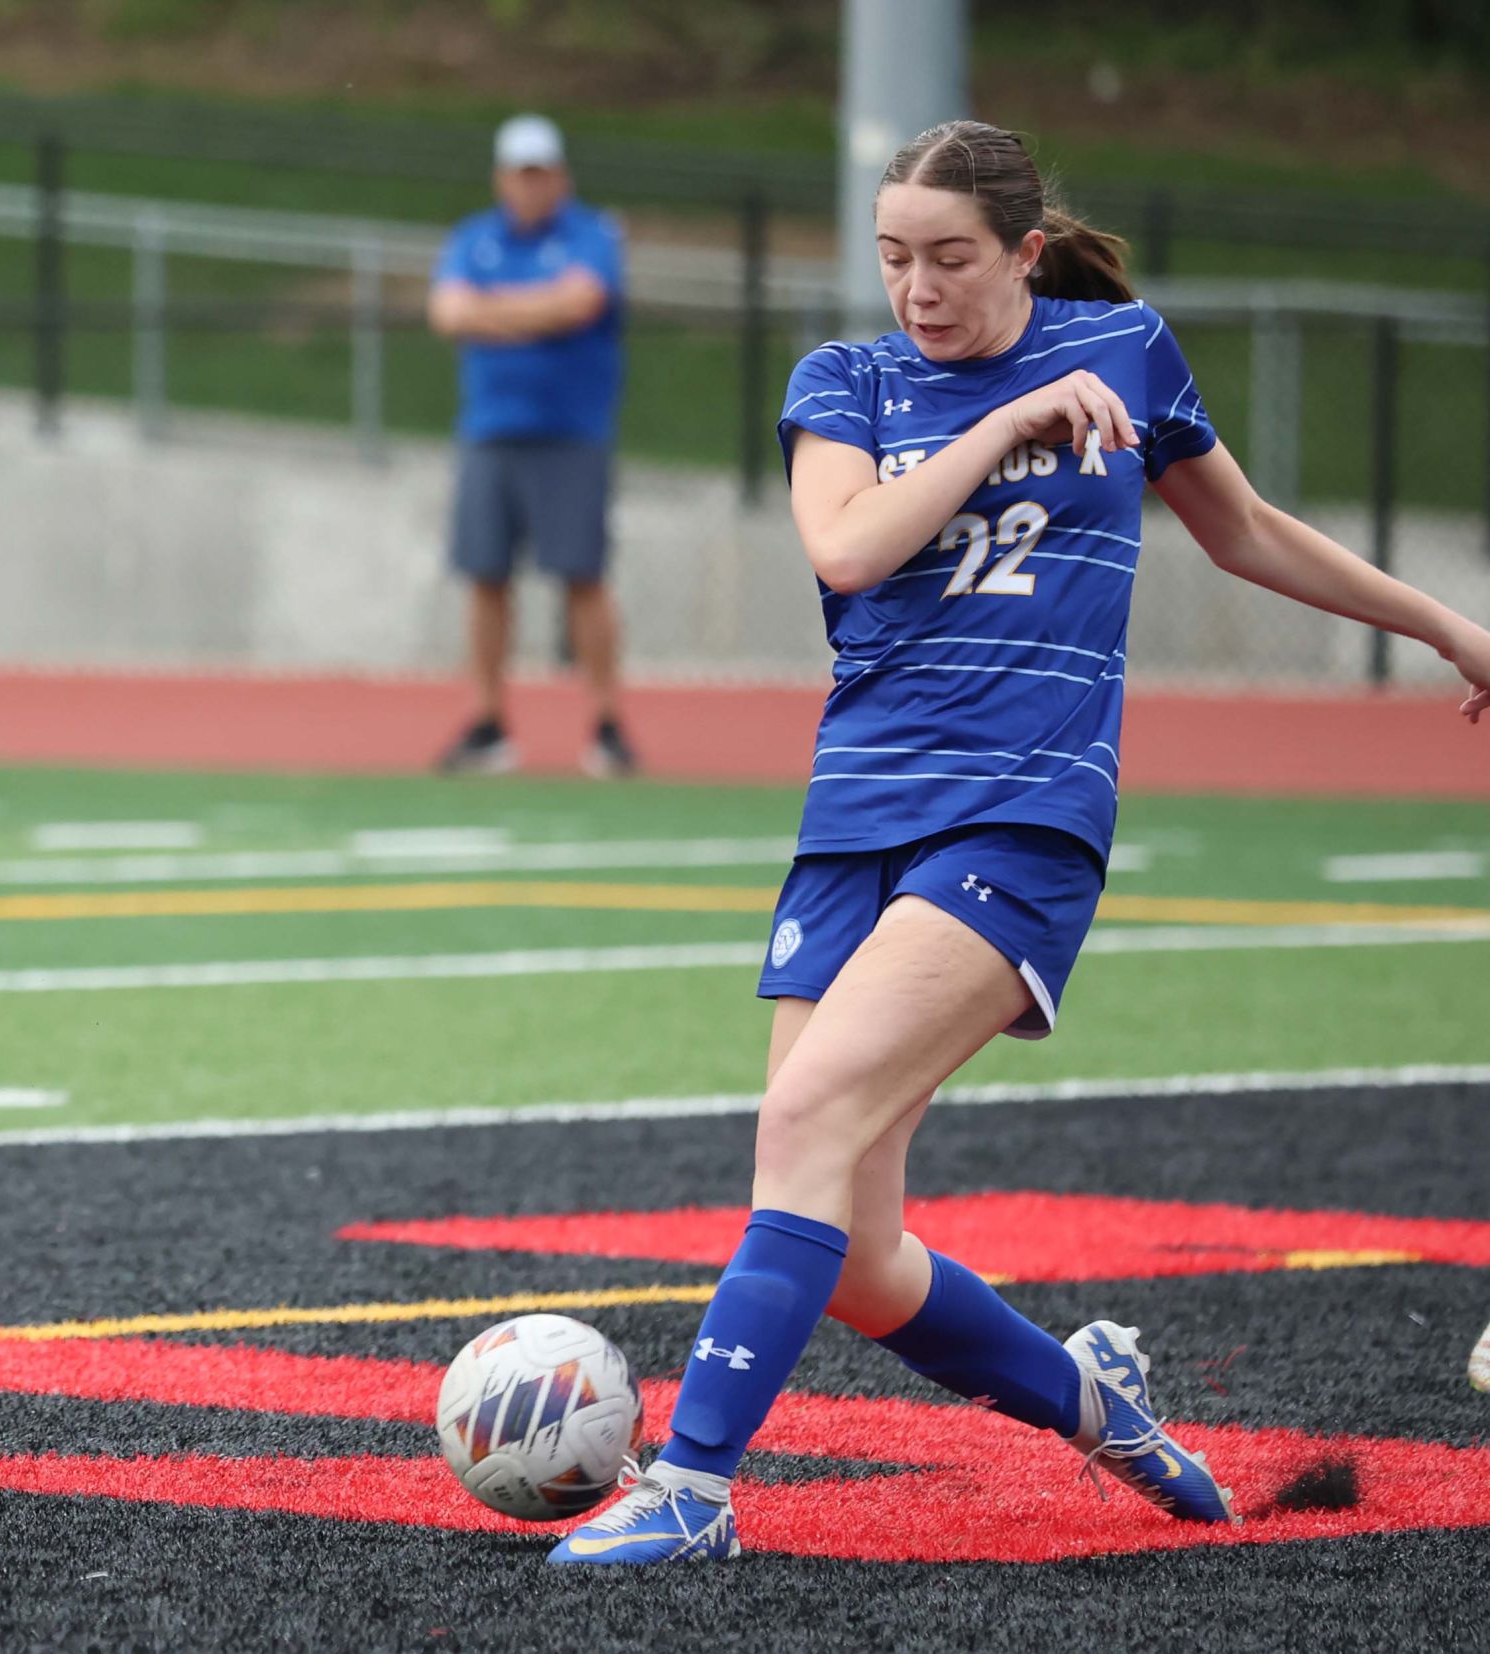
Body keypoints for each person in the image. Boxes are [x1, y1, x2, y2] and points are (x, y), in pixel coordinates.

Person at [548, 120, 1490, 1567]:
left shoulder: (1123, 350)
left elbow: (1243, 529)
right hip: (853, 819)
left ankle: (693, 1487)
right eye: (893, 257)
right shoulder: (845, 380)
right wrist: (1002, 426)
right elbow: (848, 547)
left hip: (1023, 811)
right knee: (857, 1254)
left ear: (1024, 252)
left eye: (950, 257)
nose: (917, 288)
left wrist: (1442, 624)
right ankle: (1094, 1402)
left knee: (804, 1125)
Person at [427, 113, 635, 779]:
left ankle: (606, 722)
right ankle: (490, 721)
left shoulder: (590, 234)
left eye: (541, 173)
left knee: (582, 576)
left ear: (561, 177)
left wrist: (492, 312)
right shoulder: (474, 237)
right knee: (485, 576)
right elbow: (448, 313)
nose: (531, 186)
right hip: (490, 431)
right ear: (501, 179)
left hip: (571, 432)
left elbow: (580, 302)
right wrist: (535, 311)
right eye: (521, 174)